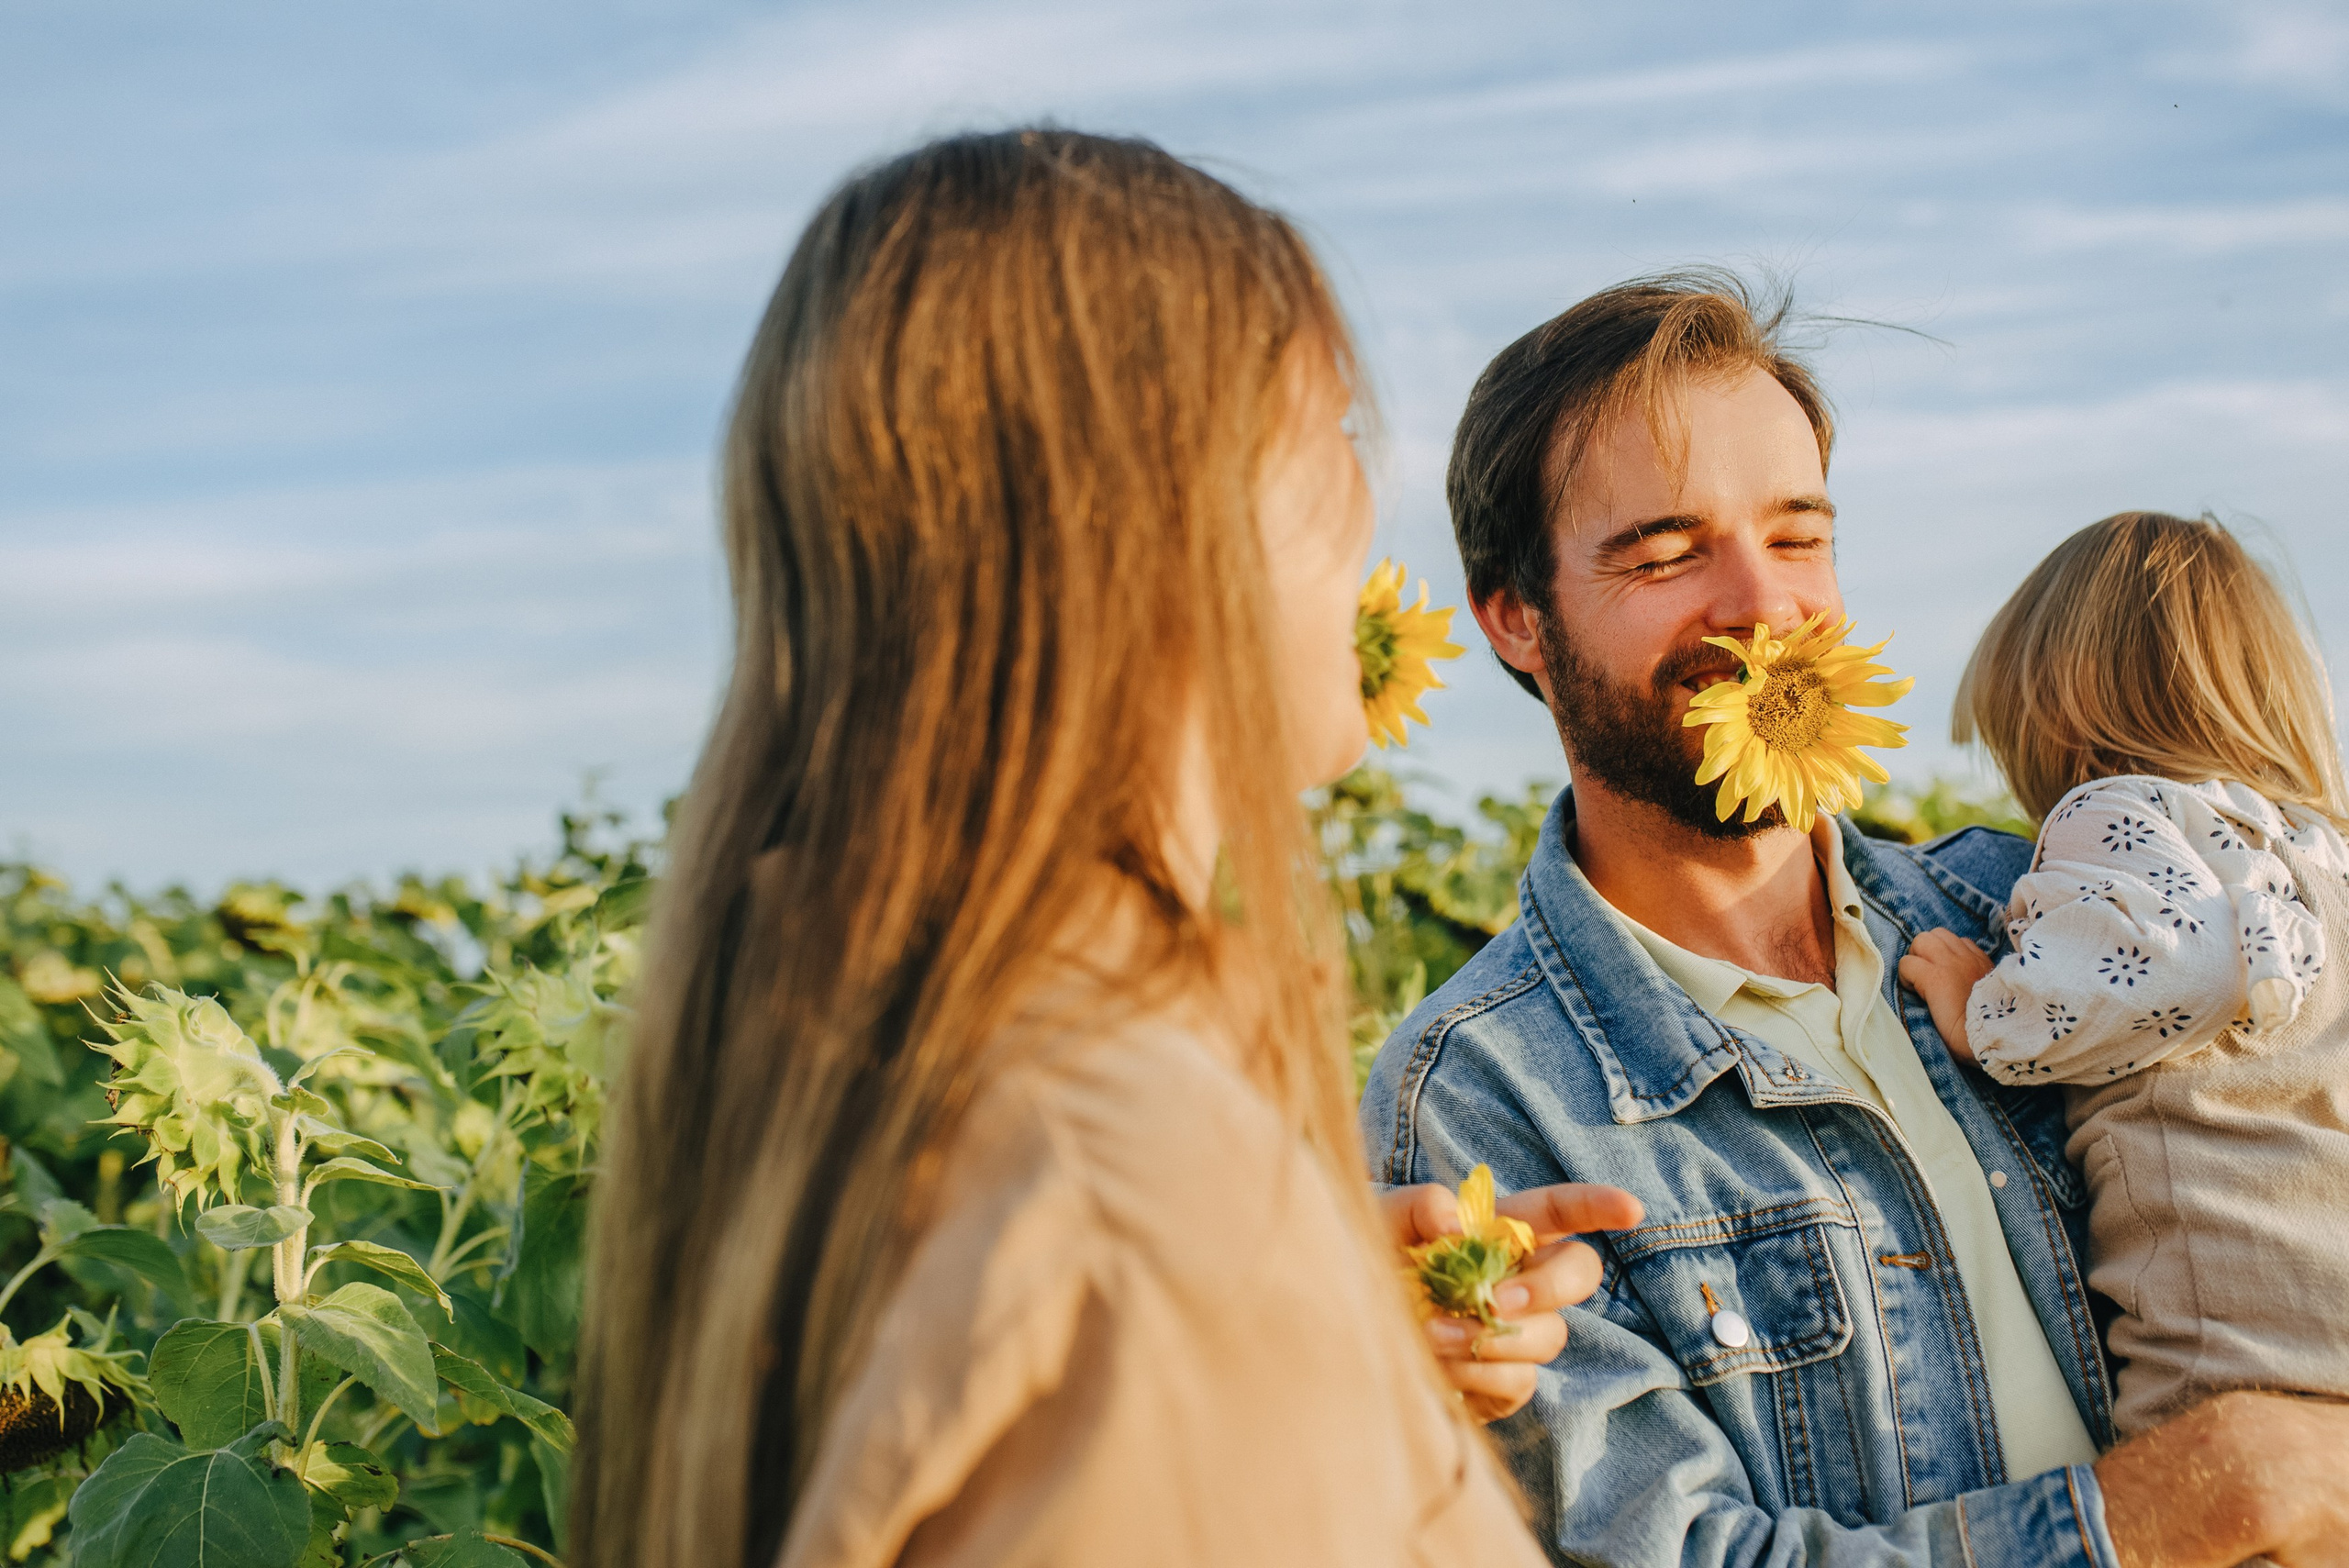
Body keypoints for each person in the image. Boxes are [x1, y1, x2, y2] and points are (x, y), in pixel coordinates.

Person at [568, 128, 1638, 1568]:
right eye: (1328, 437)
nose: (1364, 516)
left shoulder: (874, 1048)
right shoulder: (1137, 1197)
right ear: (1156, 512)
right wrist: (1236, 1312)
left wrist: (1324, 1352)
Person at [1360, 272, 2349, 1568]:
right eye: (1665, 553)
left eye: (1798, 535)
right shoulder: (1482, 1098)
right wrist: (2182, 1506)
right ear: (1513, 616)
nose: (1763, 608)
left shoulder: (2035, 906)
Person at [1899, 512, 2349, 1438]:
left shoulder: (2118, 808)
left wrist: (1981, 1010)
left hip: (2239, 1354)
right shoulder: (2320, 856)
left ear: (2059, 703)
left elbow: (2162, 971)